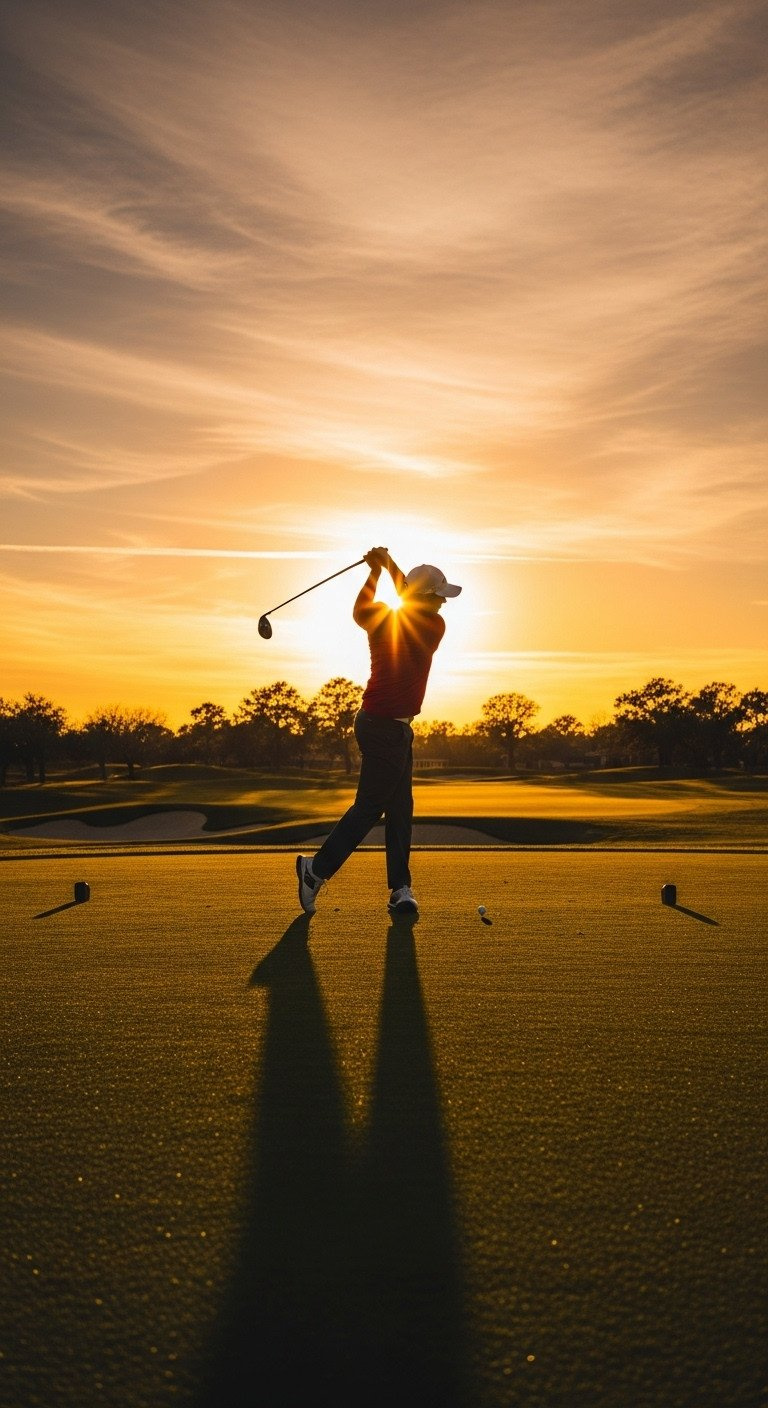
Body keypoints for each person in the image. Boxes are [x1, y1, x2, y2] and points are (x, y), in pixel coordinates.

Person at [296, 546, 461, 917]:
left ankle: (400, 889)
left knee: (401, 809)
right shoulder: (431, 625)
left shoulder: (383, 619)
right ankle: (314, 872)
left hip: (389, 727)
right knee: (370, 807)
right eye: (438, 596)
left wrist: (376, 571)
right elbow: (407, 593)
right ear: (426, 598)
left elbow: (365, 608)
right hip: (383, 727)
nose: (443, 605)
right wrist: (386, 566)